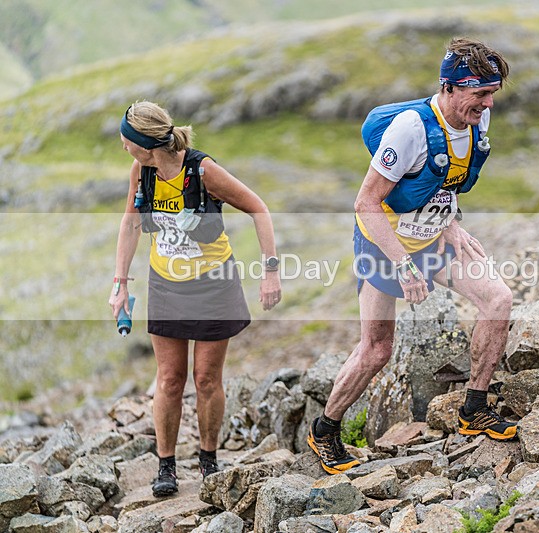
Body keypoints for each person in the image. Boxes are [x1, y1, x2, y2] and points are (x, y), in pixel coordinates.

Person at [307, 38, 516, 475]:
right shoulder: (410, 129)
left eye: (492, 92)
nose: (488, 102)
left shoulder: (479, 120)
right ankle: (325, 430)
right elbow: (366, 202)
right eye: (480, 93)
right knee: (377, 349)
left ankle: (473, 408)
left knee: (498, 300)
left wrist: (451, 220)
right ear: (450, 87)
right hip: (384, 243)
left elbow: (449, 179)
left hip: (434, 236)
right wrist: (403, 265)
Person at [109, 101, 282, 496]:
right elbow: (131, 222)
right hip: (166, 284)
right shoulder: (142, 171)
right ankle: (166, 467)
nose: (123, 149)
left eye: (126, 142)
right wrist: (120, 283)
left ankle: (208, 459)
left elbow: (259, 208)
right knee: (170, 379)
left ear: (146, 144)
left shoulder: (202, 171)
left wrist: (270, 271)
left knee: (206, 379)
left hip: (212, 283)